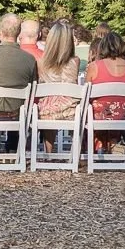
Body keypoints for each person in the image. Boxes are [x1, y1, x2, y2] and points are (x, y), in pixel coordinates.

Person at [84, 31, 125, 151]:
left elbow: (86, 95)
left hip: (98, 116)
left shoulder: (94, 66)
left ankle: (97, 148)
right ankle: (114, 145)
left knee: (90, 108)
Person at [34, 19, 80, 151]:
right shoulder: (75, 61)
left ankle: (49, 151)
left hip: (46, 112)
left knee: (48, 103)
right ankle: (76, 149)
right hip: (70, 110)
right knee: (74, 105)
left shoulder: (40, 62)